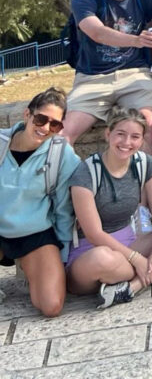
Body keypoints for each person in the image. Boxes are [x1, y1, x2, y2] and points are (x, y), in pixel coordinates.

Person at [68, 107, 152, 309]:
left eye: (135, 137)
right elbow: (94, 234)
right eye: (121, 134)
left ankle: (131, 288)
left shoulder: (144, 163)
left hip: (129, 245)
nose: (127, 143)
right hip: (90, 256)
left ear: (142, 140)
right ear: (108, 134)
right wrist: (137, 259)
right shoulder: (86, 172)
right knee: (102, 258)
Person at [62, 0, 152, 153]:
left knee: (147, 127)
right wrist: (136, 40)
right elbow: (97, 32)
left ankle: (146, 185)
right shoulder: (85, 0)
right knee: (64, 136)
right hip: (92, 79)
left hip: (135, 75)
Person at [0, 88, 80, 317]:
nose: (45, 128)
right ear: (27, 115)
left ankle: (28, 265)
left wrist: (63, 258)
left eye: (54, 124)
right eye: (41, 118)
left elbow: (65, 209)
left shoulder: (62, 155)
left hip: (35, 233)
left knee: (51, 306)